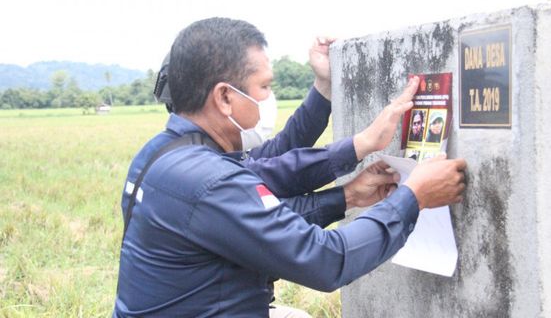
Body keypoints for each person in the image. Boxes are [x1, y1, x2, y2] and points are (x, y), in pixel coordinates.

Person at [114, 17, 467, 317]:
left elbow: (271, 172)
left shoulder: (164, 154)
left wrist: (346, 194)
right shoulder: (208, 181)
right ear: (224, 97)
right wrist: (413, 197)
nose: (268, 97)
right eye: (264, 86)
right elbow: (327, 260)